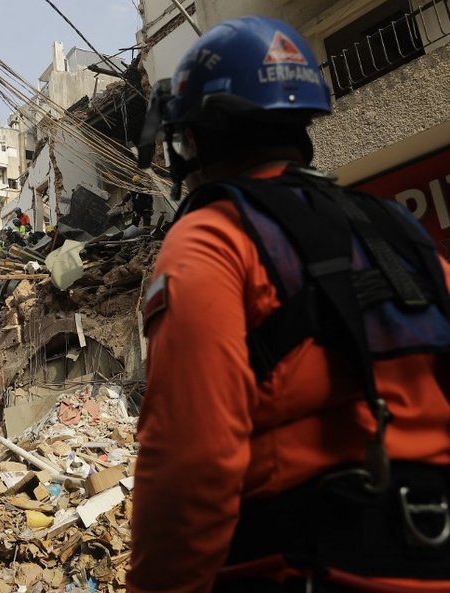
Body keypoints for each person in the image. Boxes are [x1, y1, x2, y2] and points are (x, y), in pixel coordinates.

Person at [129, 16, 450, 593]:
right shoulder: (396, 227)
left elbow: (191, 466)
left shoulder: (211, 240)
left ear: (195, 138)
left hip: (307, 567)